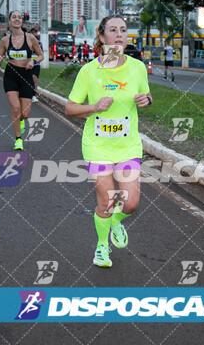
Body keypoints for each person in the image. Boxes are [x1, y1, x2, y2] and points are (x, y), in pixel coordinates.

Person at [65, 15, 152, 268]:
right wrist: (94, 107)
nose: (119, 34)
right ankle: (102, 246)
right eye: (113, 30)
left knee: (131, 202)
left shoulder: (137, 67)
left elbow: (146, 95)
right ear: (102, 37)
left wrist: (146, 101)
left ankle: (115, 221)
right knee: (107, 199)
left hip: (127, 145)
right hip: (97, 145)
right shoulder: (89, 71)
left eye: (123, 30)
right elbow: (70, 108)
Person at [0, 11, 44, 151]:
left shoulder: (30, 38)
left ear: (21, 21)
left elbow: (41, 55)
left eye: (19, 17)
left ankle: (21, 120)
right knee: (15, 108)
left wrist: (33, 61)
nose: (17, 19)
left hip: (26, 76)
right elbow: (0, 57)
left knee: (25, 113)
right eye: (14, 17)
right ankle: (18, 140)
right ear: (10, 21)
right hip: (11, 75)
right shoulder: (5, 40)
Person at [30, 26, 42, 103]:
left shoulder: (39, 43)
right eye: (33, 33)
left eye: (36, 33)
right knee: (29, 79)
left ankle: (33, 95)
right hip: (28, 64)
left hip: (36, 64)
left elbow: (41, 54)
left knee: (35, 79)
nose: (35, 34)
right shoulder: (27, 42)